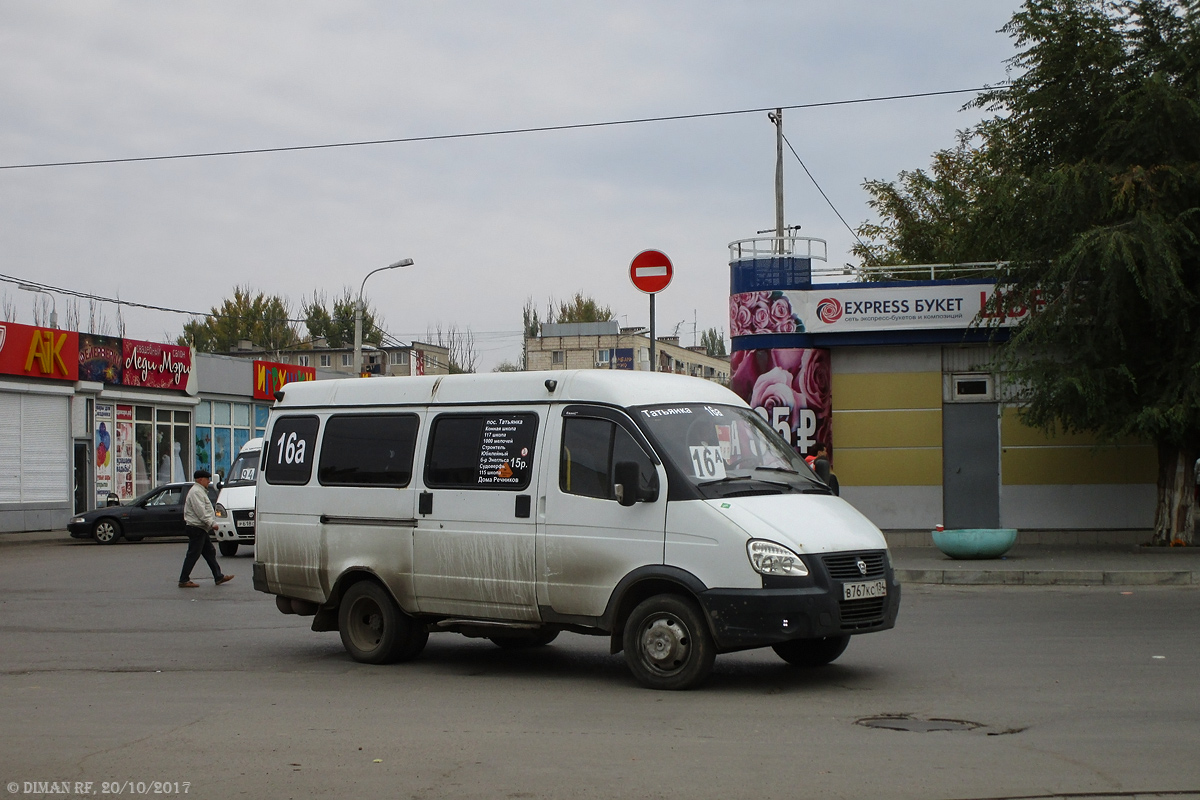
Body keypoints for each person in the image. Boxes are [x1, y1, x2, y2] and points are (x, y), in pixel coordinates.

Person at [178, 469, 234, 589]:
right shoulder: (196, 492)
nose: (208, 481)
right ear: (200, 479)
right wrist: (211, 523)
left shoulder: (200, 491)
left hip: (200, 528)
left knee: (209, 552)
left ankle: (218, 576)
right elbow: (201, 511)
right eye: (207, 479)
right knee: (193, 554)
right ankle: (184, 579)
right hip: (196, 527)